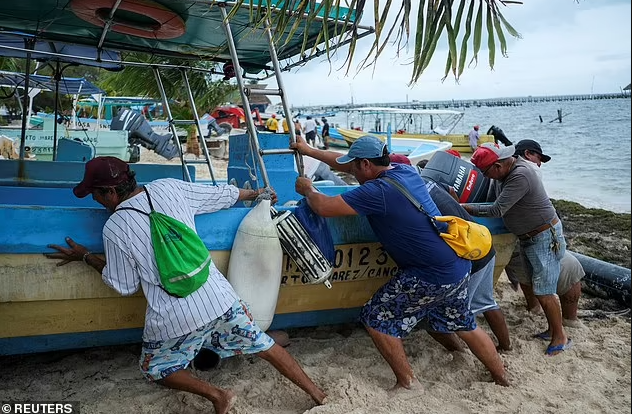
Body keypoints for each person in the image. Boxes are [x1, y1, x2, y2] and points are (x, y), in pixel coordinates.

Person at [44, 157, 326, 414]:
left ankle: (218, 395)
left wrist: (86, 257)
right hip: (219, 298)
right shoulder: (169, 188)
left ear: (110, 192)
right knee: (264, 345)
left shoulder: (115, 227)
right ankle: (318, 394)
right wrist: (255, 194)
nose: (95, 200)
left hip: (175, 317)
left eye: (95, 194)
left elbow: (124, 285)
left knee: (155, 368)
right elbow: (219, 196)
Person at [292, 135, 508, 391]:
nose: (352, 171)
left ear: (365, 165)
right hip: (456, 265)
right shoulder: (403, 169)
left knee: (375, 318)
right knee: (465, 324)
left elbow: (324, 206)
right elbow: (343, 164)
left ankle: (407, 382)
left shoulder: (377, 191)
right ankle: (501, 377)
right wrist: (308, 150)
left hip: (429, 274)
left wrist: (308, 188)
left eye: (356, 167)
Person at [389, 154, 511, 351]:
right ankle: (506, 347)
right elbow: (452, 196)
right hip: (481, 243)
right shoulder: (430, 183)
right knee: (485, 301)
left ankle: (460, 352)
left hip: (468, 255)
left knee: (440, 318)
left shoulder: (405, 194)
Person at [463, 143, 571, 356]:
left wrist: (460, 207)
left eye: (487, 172)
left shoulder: (521, 174)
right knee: (535, 285)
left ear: (498, 165)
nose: (487, 177)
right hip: (528, 236)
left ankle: (560, 336)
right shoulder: (504, 173)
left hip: (544, 236)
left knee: (545, 291)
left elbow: (497, 209)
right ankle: (552, 329)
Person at [502, 140, 583, 326]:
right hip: (530, 235)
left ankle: (534, 307)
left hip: (508, 236)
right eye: (539, 158)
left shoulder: (500, 173)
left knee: (525, 269)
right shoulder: (529, 170)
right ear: (528, 154)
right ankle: (569, 321)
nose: (540, 164)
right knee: (571, 269)